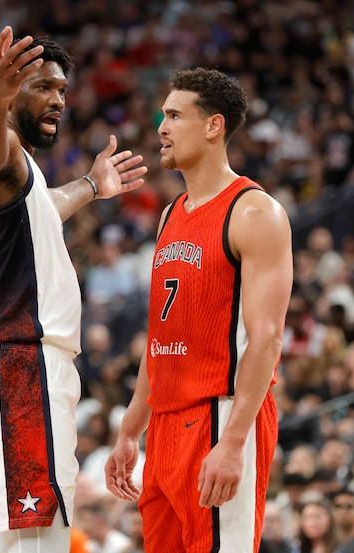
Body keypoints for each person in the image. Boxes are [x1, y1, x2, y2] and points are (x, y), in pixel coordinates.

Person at [0, 27, 147, 553]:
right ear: (10, 92)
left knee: (41, 540)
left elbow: (42, 211)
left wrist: (93, 187)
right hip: (14, 366)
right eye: (43, 87)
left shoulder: (22, 172)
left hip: (22, 369)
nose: (58, 99)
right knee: (34, 544)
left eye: (62, 90)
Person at [105, 68, 293, 552]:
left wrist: (232, 442)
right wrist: (131, 427)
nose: (161, 128)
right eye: (160, 116)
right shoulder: (171, 214)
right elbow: (162, 333)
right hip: (165, 421)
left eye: (173, 115)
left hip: (219, 413)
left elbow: (267, 338)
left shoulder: (255, 212)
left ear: (213, 126)